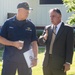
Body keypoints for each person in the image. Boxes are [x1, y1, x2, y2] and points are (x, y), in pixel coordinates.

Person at [0, 2, 38, 75]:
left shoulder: (31, 25)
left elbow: (34, 43)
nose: (28, 13)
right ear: (19, 10)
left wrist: (35, 58)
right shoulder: (8, 23)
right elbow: (1, 38)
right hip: (9, 59)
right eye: (26, 11)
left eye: (28, 11)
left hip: (25, 60)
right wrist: (13, 44)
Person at [39, 8, 73, 75]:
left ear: (59, 16)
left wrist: (68, 62)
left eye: (53, 16)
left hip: (60, 64)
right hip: (47, 63)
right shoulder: (48, 28)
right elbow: (41, 42)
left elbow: (69, 47)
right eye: (50, 16)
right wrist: (44, 38)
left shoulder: (68, 29)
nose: (51, 18)